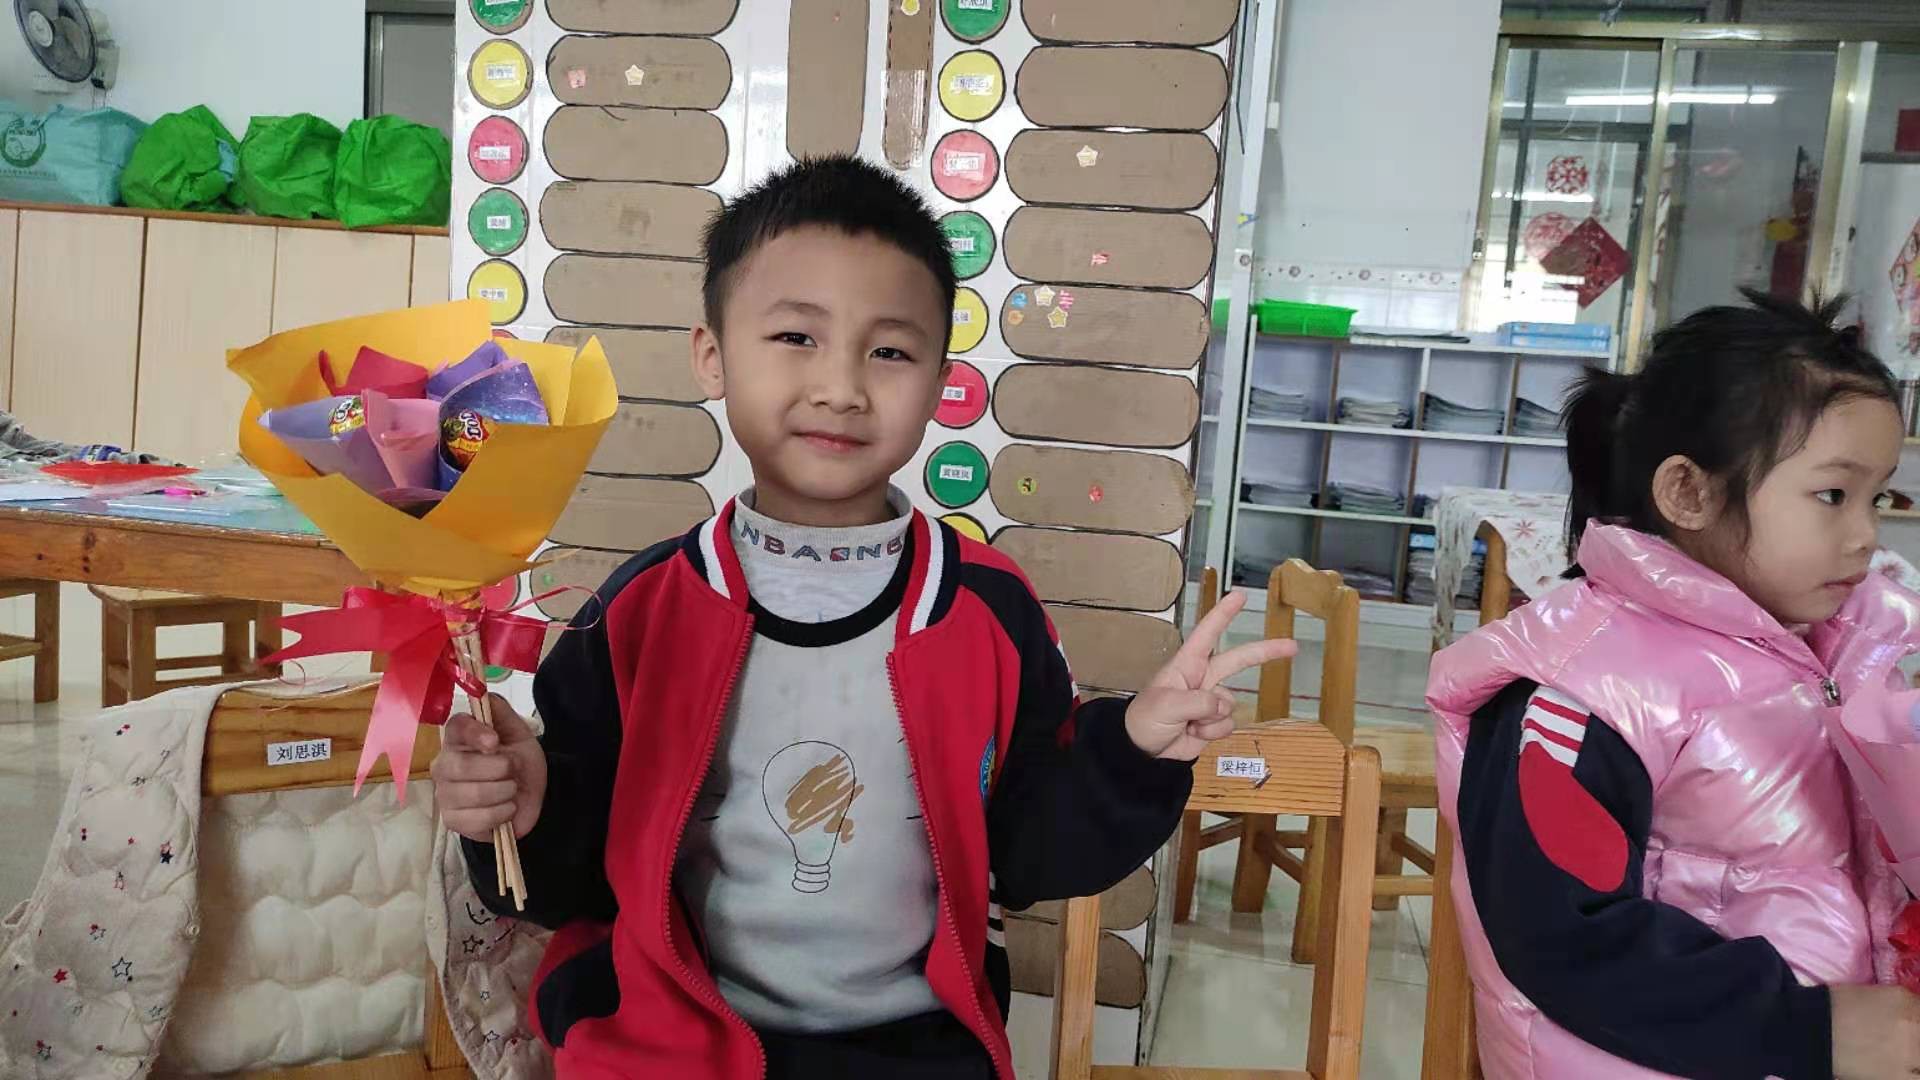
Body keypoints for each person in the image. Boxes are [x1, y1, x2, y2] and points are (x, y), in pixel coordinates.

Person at [429, 155, 1293, 1080]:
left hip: (914, 1054)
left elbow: (1032, 855)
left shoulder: (986, 610)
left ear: (939, 380)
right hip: (670, 1050)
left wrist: (1134, 749)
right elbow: (574, 885)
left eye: (889, 352)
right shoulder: (639, 611)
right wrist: (523, 812)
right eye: (796, 336)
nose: (841, 386)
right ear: (712, 355)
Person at [1428, 289, 1920, 1080]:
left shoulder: (1836, 656)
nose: (1866, 535)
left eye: (1880, 497)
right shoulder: (1583, 687)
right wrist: (1807, 1026)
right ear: (1689, 493)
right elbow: (1560, 935)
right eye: (1832, 495)